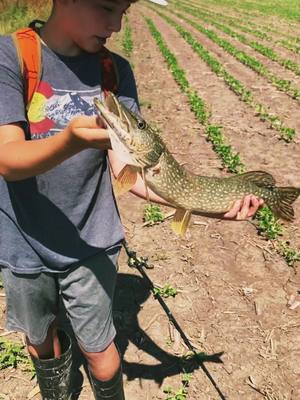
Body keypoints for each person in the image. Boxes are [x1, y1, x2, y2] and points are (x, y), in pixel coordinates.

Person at [0, 0, 264, 399]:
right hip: (23, 243)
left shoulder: (114, 72)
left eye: (123, 11)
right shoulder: (11, 57)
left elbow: (133, 175)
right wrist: (70, 141)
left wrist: (209, 206)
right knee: (41, 338)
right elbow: (8, 160)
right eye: (107, 8)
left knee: (102, 354)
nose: (117, 25)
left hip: (92, 243)